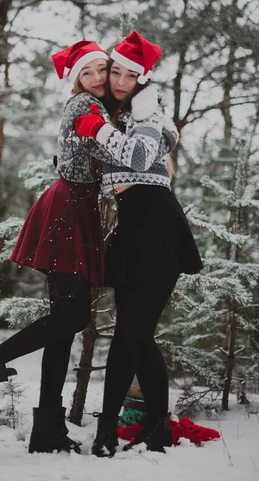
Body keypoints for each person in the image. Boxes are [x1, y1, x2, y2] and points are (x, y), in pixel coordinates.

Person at [0, 40, 117, 454]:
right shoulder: (87, 107)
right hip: (68, 211)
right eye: (88, 72)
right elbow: (102, 155)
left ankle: (47, 430)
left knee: (64, 322)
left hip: (72, 207)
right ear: (77, 79)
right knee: (73, 316)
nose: (97, 78)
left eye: (102, 69)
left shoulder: (90, 107)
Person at [75, 31, 202, 456]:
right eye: (115, 71)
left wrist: (99, 131)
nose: (120, 80)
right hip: (131, 231)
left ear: (142, 79)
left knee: (134, 333)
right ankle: (129, 428)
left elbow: (140, 157)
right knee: (132, 337)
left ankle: (133, 428)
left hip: (160, 230)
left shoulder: (149, 113)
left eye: (131, 75)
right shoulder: (108, 112)